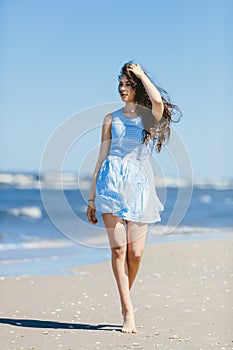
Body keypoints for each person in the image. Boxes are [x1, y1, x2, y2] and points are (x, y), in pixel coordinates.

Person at [86, 62, 180, 333]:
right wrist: (92, 198)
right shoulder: (110, 118)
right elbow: (101, 157)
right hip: (110, 182)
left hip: (139, 186)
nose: (122, 88)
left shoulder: (148, 116)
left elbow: (158, 101)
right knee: (119, 250)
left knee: (136, 254)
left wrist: (140, 73)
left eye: (128, 84)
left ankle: (124, 293)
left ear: (137, 87)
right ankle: (128, 310)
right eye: (120, 84)